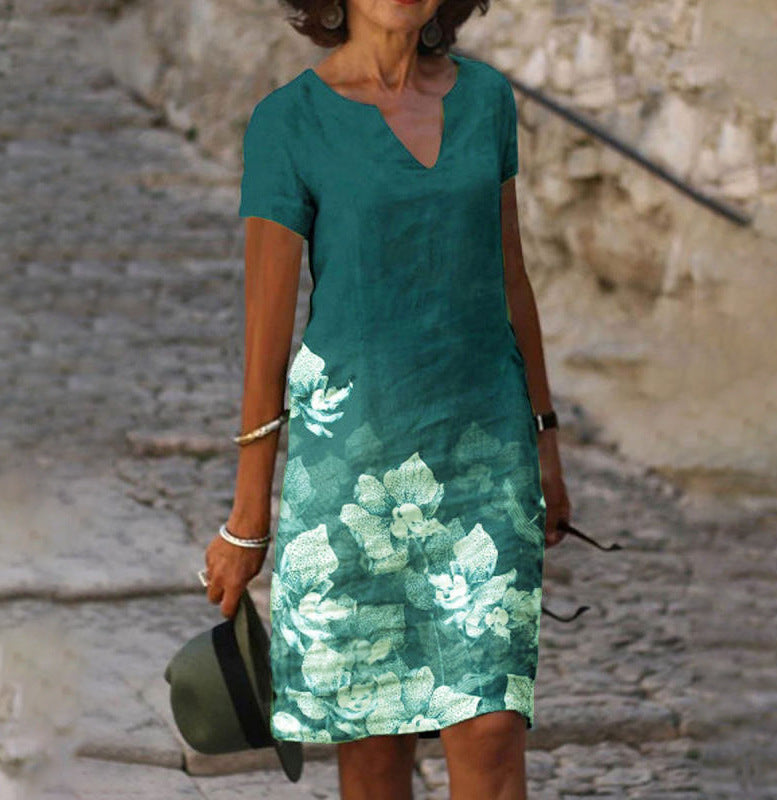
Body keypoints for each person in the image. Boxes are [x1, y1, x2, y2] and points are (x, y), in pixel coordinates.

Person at [203, 0, 571, 796]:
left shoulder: (487, 100)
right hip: (349, 480)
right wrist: (248, 515)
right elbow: (266, 334)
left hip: (485, 460)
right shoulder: (288, 123)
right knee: (374, 753)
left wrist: (544, 437)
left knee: (493, 729)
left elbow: (510, 277)